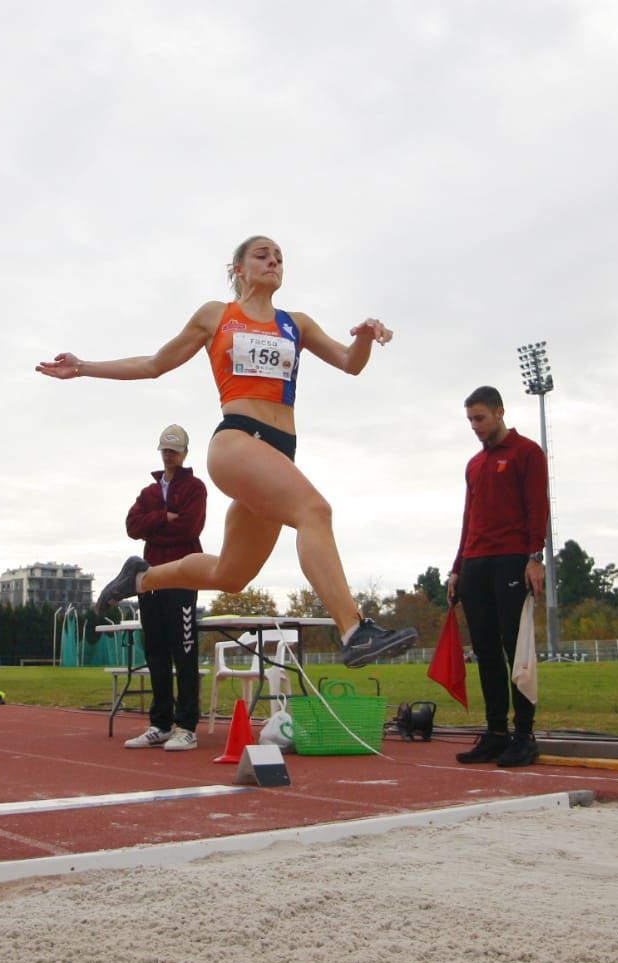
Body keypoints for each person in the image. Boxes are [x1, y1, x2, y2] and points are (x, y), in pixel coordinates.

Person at [36, 234, 416, 668]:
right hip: (237, 441)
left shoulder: (297, 324)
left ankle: (141, 577)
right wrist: (83, 367)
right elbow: (154, 364)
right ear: (238, 269)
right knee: (315, 512)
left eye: (279, 257)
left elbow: (351, 363)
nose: (274, 261)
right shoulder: (217, 316)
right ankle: (354, 630)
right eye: (262, 255)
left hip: (277, 453)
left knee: (231, 575)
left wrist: (366, 335)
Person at [447, 386, 550, 768]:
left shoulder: (527, 453)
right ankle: (495, 733)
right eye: (470, 420)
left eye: (480, 418)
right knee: (485, 651)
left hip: (512, 560)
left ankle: (524, 734)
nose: (475, 426)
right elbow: (468, 517)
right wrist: (457, 568)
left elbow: (537, 506)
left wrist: (534, 556)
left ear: (499, 412)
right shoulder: (474, 464)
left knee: (515, 647)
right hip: (475, 562)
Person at [121, 424, 209, 751]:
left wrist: (153, 529)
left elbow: (190, 527)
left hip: (183, 578)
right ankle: (159, 724)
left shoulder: (195, 488)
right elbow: (132, 526)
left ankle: (186, 727)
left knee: (183, 653)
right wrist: (163, 517)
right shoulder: (148, 492)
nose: (169, 454)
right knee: (156, 653)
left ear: (185, 453)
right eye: (165, 450)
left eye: (174, 449)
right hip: (151, 580)